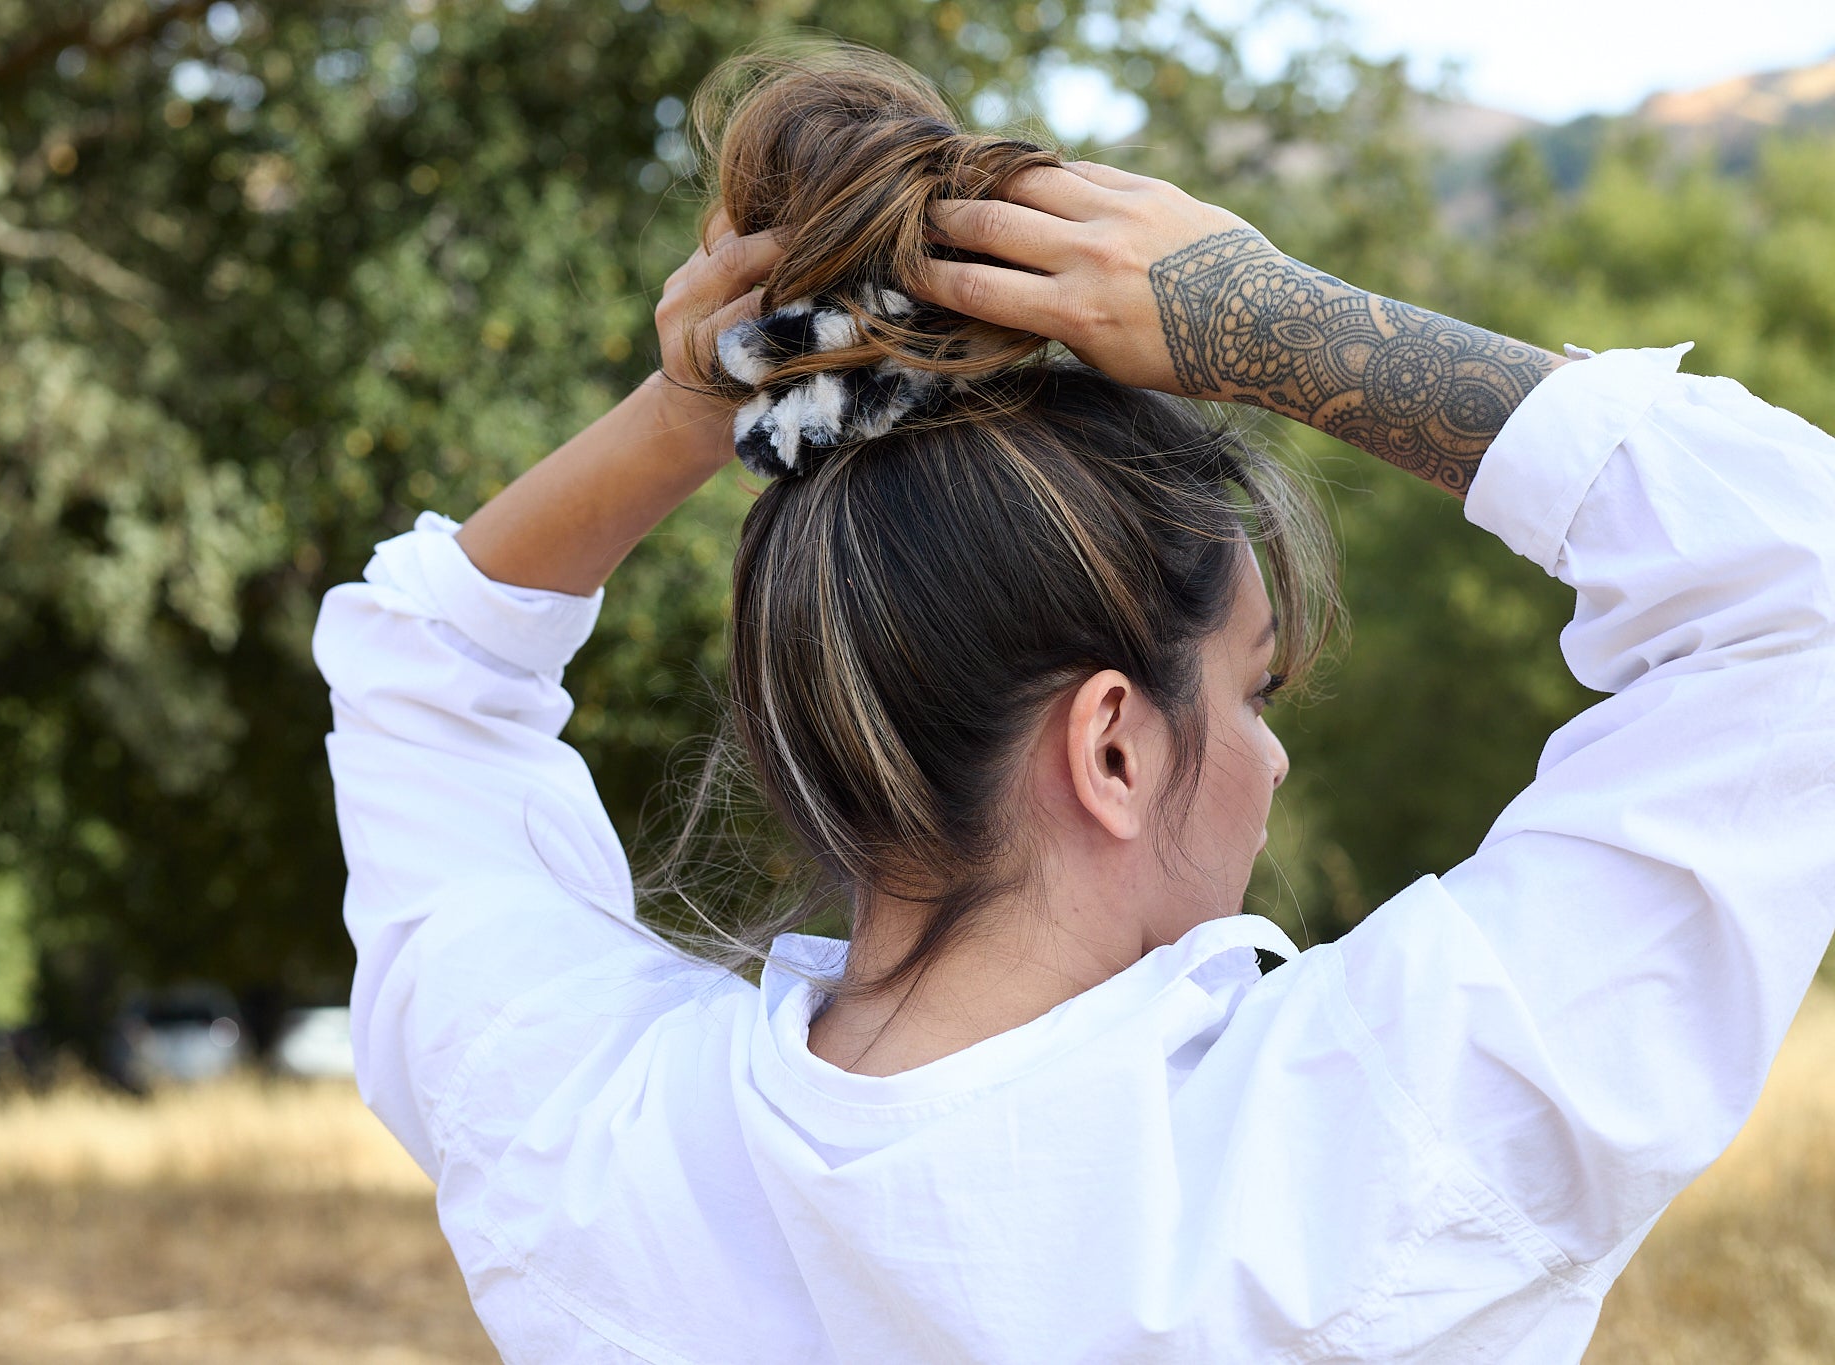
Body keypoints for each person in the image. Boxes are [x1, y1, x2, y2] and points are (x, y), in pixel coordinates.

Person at [312, 44, 1835, 1364]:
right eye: (1252, 690)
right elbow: (1801, 595)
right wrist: (1277, 324)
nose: (1273, 757)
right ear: (1110, 742)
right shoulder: (1353, 1146)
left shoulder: (591, 1148)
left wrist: (695, 403)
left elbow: (421, 668)